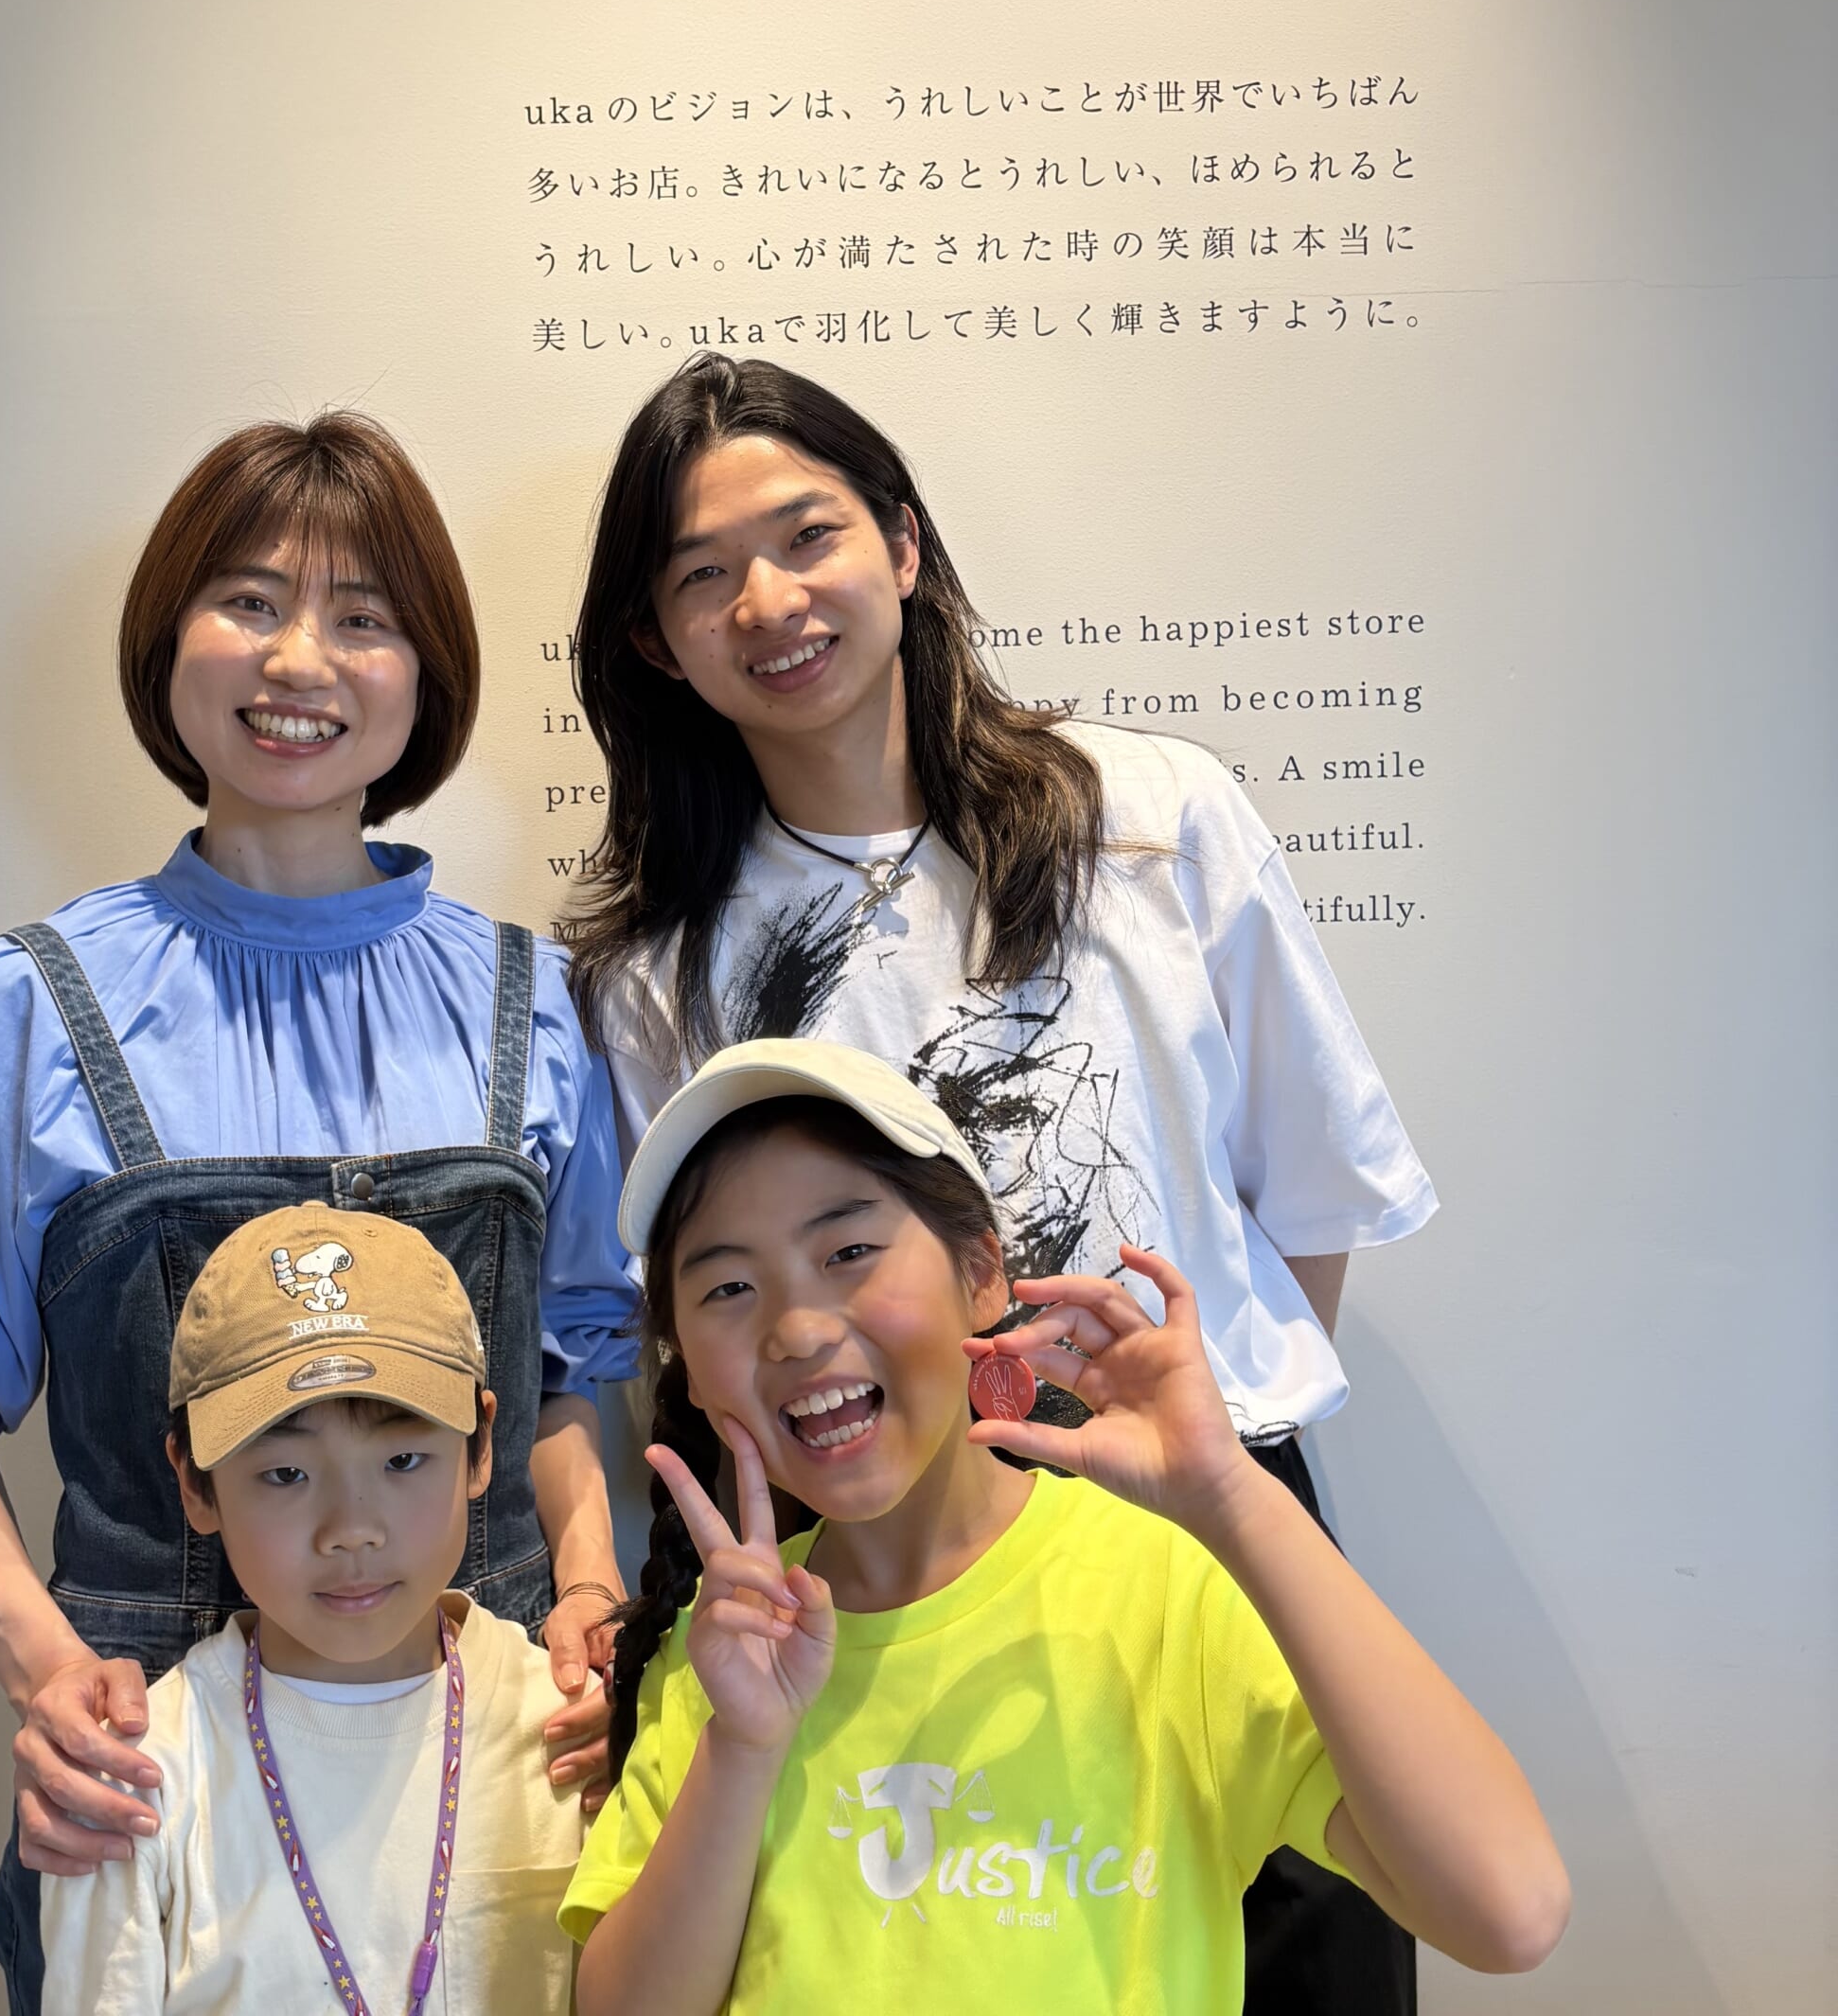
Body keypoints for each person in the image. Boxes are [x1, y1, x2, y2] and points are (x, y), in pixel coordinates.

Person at [563, 352, 1439, 2007]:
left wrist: (1204, 1463)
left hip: (1210, 1532)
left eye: (808, 535)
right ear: (655, 641)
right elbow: (684, 1322)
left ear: (902, 544)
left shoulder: (1153, 821)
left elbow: (1310, 1200)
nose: (769, 601)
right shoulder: (656, 969)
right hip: (895, 1584)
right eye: (701, 575)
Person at [0, 414, 633, 2012]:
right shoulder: (24, 1007)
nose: (299, 659)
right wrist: (48, 1679)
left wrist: (589, 1585)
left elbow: (572, 1361)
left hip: (496, 1736)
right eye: (249, 601)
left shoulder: (527, 999)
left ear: (427, 670)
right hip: (153, 1757)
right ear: (168, 638)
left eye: (363, 616)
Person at [563, 1039, 1567, 2012]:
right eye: (729, 1287)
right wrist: (741, 1748)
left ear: (981, 1273)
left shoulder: (1170, 1590)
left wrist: (1230, 1493)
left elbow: (1508, 1911)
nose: (795, 1327)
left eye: (849, 1250)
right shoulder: (723, 1646)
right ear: (687, 1366)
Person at [40, 1204, 586, 2012]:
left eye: (404, 1458)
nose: (351, 1529)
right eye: (286, 1474)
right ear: (195, 1483)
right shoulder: (143, 1775)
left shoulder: (575, 1727)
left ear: (480, 1447)